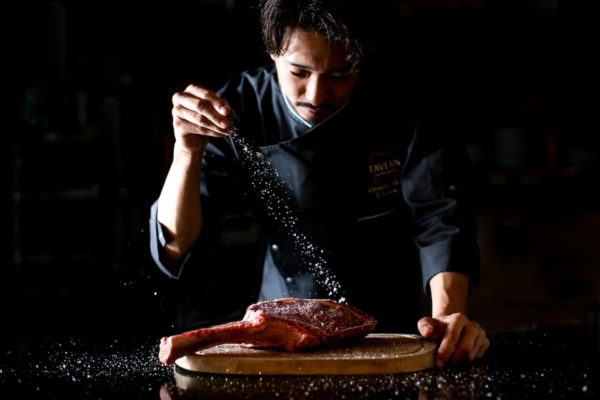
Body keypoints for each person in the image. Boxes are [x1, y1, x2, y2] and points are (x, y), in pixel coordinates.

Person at [149, 0, 489, 367]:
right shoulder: (241, 107)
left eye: (339, 75)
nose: (315, 95)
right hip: (278, 332)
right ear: (273, 50)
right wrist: (187, 151)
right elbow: (177, 246)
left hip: (391, 330)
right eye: (299, 72)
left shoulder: (401, 100)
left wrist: (446, 316)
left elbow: (440, 218)